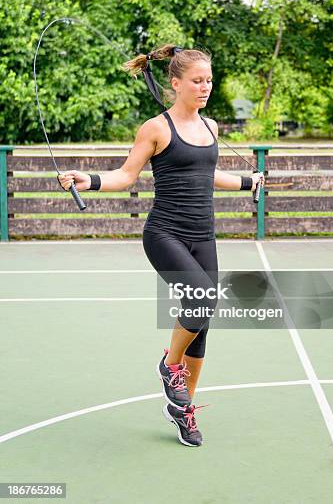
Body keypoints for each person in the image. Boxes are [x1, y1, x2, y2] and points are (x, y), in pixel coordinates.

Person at [58, 45, 264, 447]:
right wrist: (90, 180)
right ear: (175, 83)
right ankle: (170, 367)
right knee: (203, 300)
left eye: (208, 80)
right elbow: (125, 175)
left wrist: (247, 182)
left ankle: (182, 410)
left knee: (200, 329)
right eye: (196, 81)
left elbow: (208, 174)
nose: (204, 87)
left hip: (203, 235)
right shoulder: (156, 128)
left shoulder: (211, 127)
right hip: (165, 234)